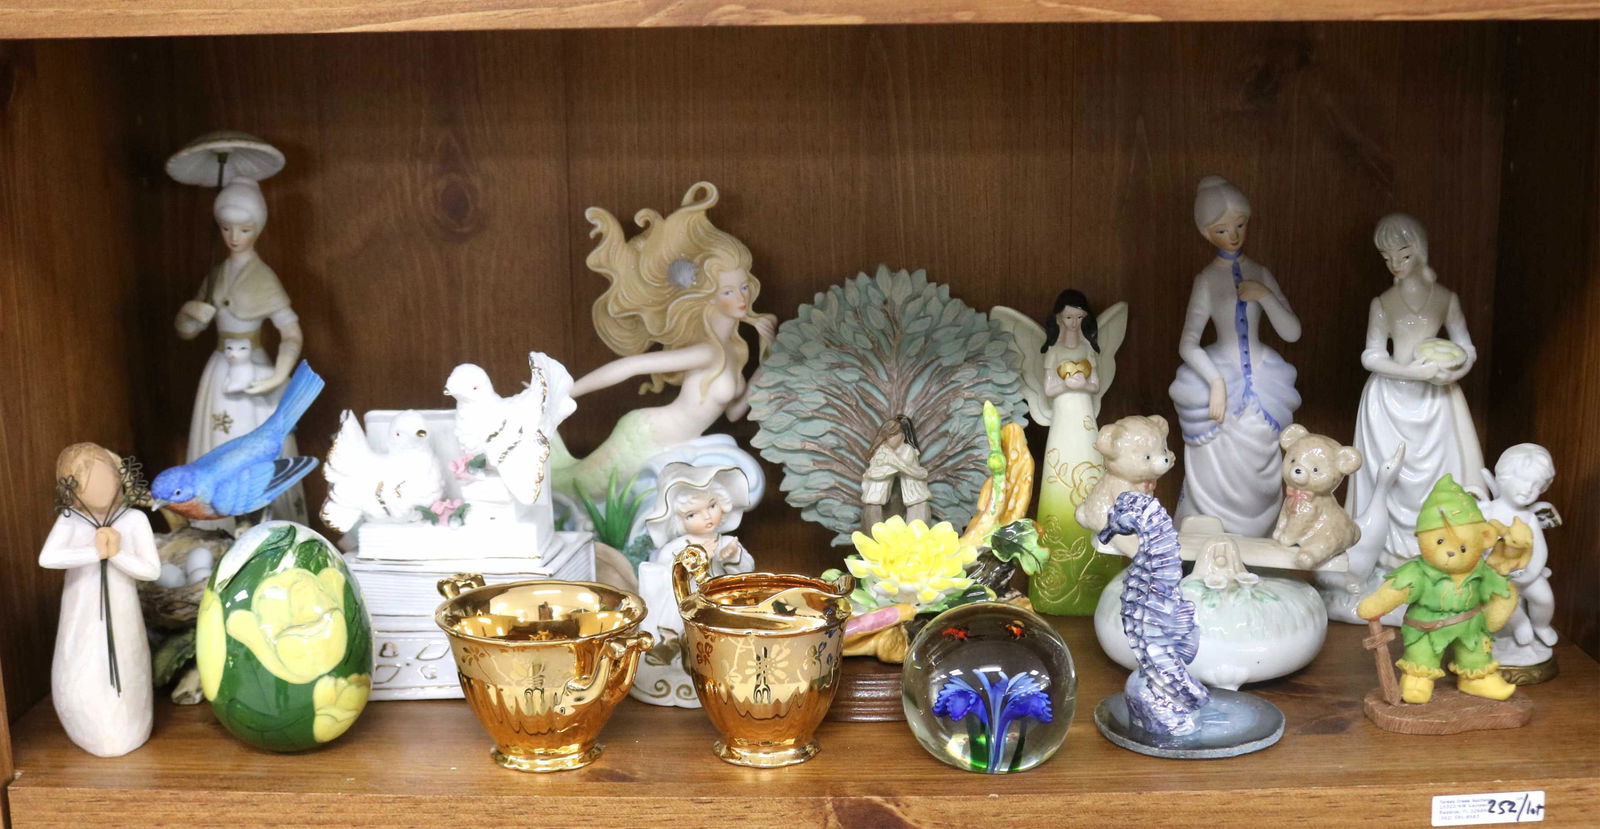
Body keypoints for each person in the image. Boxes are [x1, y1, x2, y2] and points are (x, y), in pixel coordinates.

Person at [556, 183, 777, 498]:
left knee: (590, 496)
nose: (741, 298)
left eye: (744, 287)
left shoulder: (734, 351)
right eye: (728, 291)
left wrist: (769, 359)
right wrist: (563, 394)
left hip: (677, 445)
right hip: (648, 436)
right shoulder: (707, 352)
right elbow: (632, 366)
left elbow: (733, 413)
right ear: (709, 297)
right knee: (575, 491)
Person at [1347, 213, 1484, 579]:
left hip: (1436, 401)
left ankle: (1439, 552)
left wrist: (1453, 371)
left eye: (1404, 254)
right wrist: (1412, 372)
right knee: (1386, 475)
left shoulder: (1446, 299)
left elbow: (1467, 347)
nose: (1396, 263)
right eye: (1387, 257)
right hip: (1388, 402)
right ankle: (1385, 556)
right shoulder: (1383, 303)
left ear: (1420, 250)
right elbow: (1371, 356)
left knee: (1442, 477)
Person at [1169, 176, 1301, 537]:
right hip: (1220, 374)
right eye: (1222, 229)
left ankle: (1261, 536)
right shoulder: (1206, 280)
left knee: (1263, 456)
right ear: (1206, 233)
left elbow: (1292, 332)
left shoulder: (1261, 272)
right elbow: (1188, 343)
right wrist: (1215, 382)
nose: (1233, 235)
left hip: (1264, 379)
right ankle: (1209, 534)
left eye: (1239, 225)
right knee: (1216, 447)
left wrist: (1265, 296)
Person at [173, 177, 306, 522]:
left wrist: (279, 374)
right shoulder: (216, 274)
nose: (234, 237)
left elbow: (291, 332)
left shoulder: (264, 277)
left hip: (254, 371)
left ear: (257, 228)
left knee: (254, 443)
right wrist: (191, 314)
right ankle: (217, 526)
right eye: (226, 228)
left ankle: (267, 521)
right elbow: (187, 331)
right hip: (220, 368)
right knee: (216, 442)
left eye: (244, 229)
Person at [39, 444, 160, 757]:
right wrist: (94, 552)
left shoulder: (133, 520)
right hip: (80, 612)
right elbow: (48, 558)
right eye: (89, 481)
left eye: (106, 478)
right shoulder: (71, 520)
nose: (101, 487)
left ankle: (129, 726)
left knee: (127, 658)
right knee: (84, 661)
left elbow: (150, 570)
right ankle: (88, 726)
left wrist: (116, 554)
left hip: (122, 610)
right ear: (71, 486)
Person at [631, 463, 754, 707]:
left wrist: (732, 557)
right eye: (692, 514)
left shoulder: (727, 542)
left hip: (719, 604)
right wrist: (694, 559)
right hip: (685, 604)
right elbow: (664, 575)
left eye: (712, 506)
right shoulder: (675, 547)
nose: (707, 516)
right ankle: (671, 647)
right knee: (684, 612)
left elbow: (746, 572)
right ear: (678, 520)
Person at [860, 416, 931, 528]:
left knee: (917, 512)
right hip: (876, 498)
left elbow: (909, 470)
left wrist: (893, 461)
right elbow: (875, 472)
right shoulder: (882, 450)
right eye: (887, 436)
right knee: (873, 506)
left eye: (893, 435)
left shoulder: (908, 450)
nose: (889, 439)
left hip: (914, 498)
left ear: (903, 436)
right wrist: (890, 463)